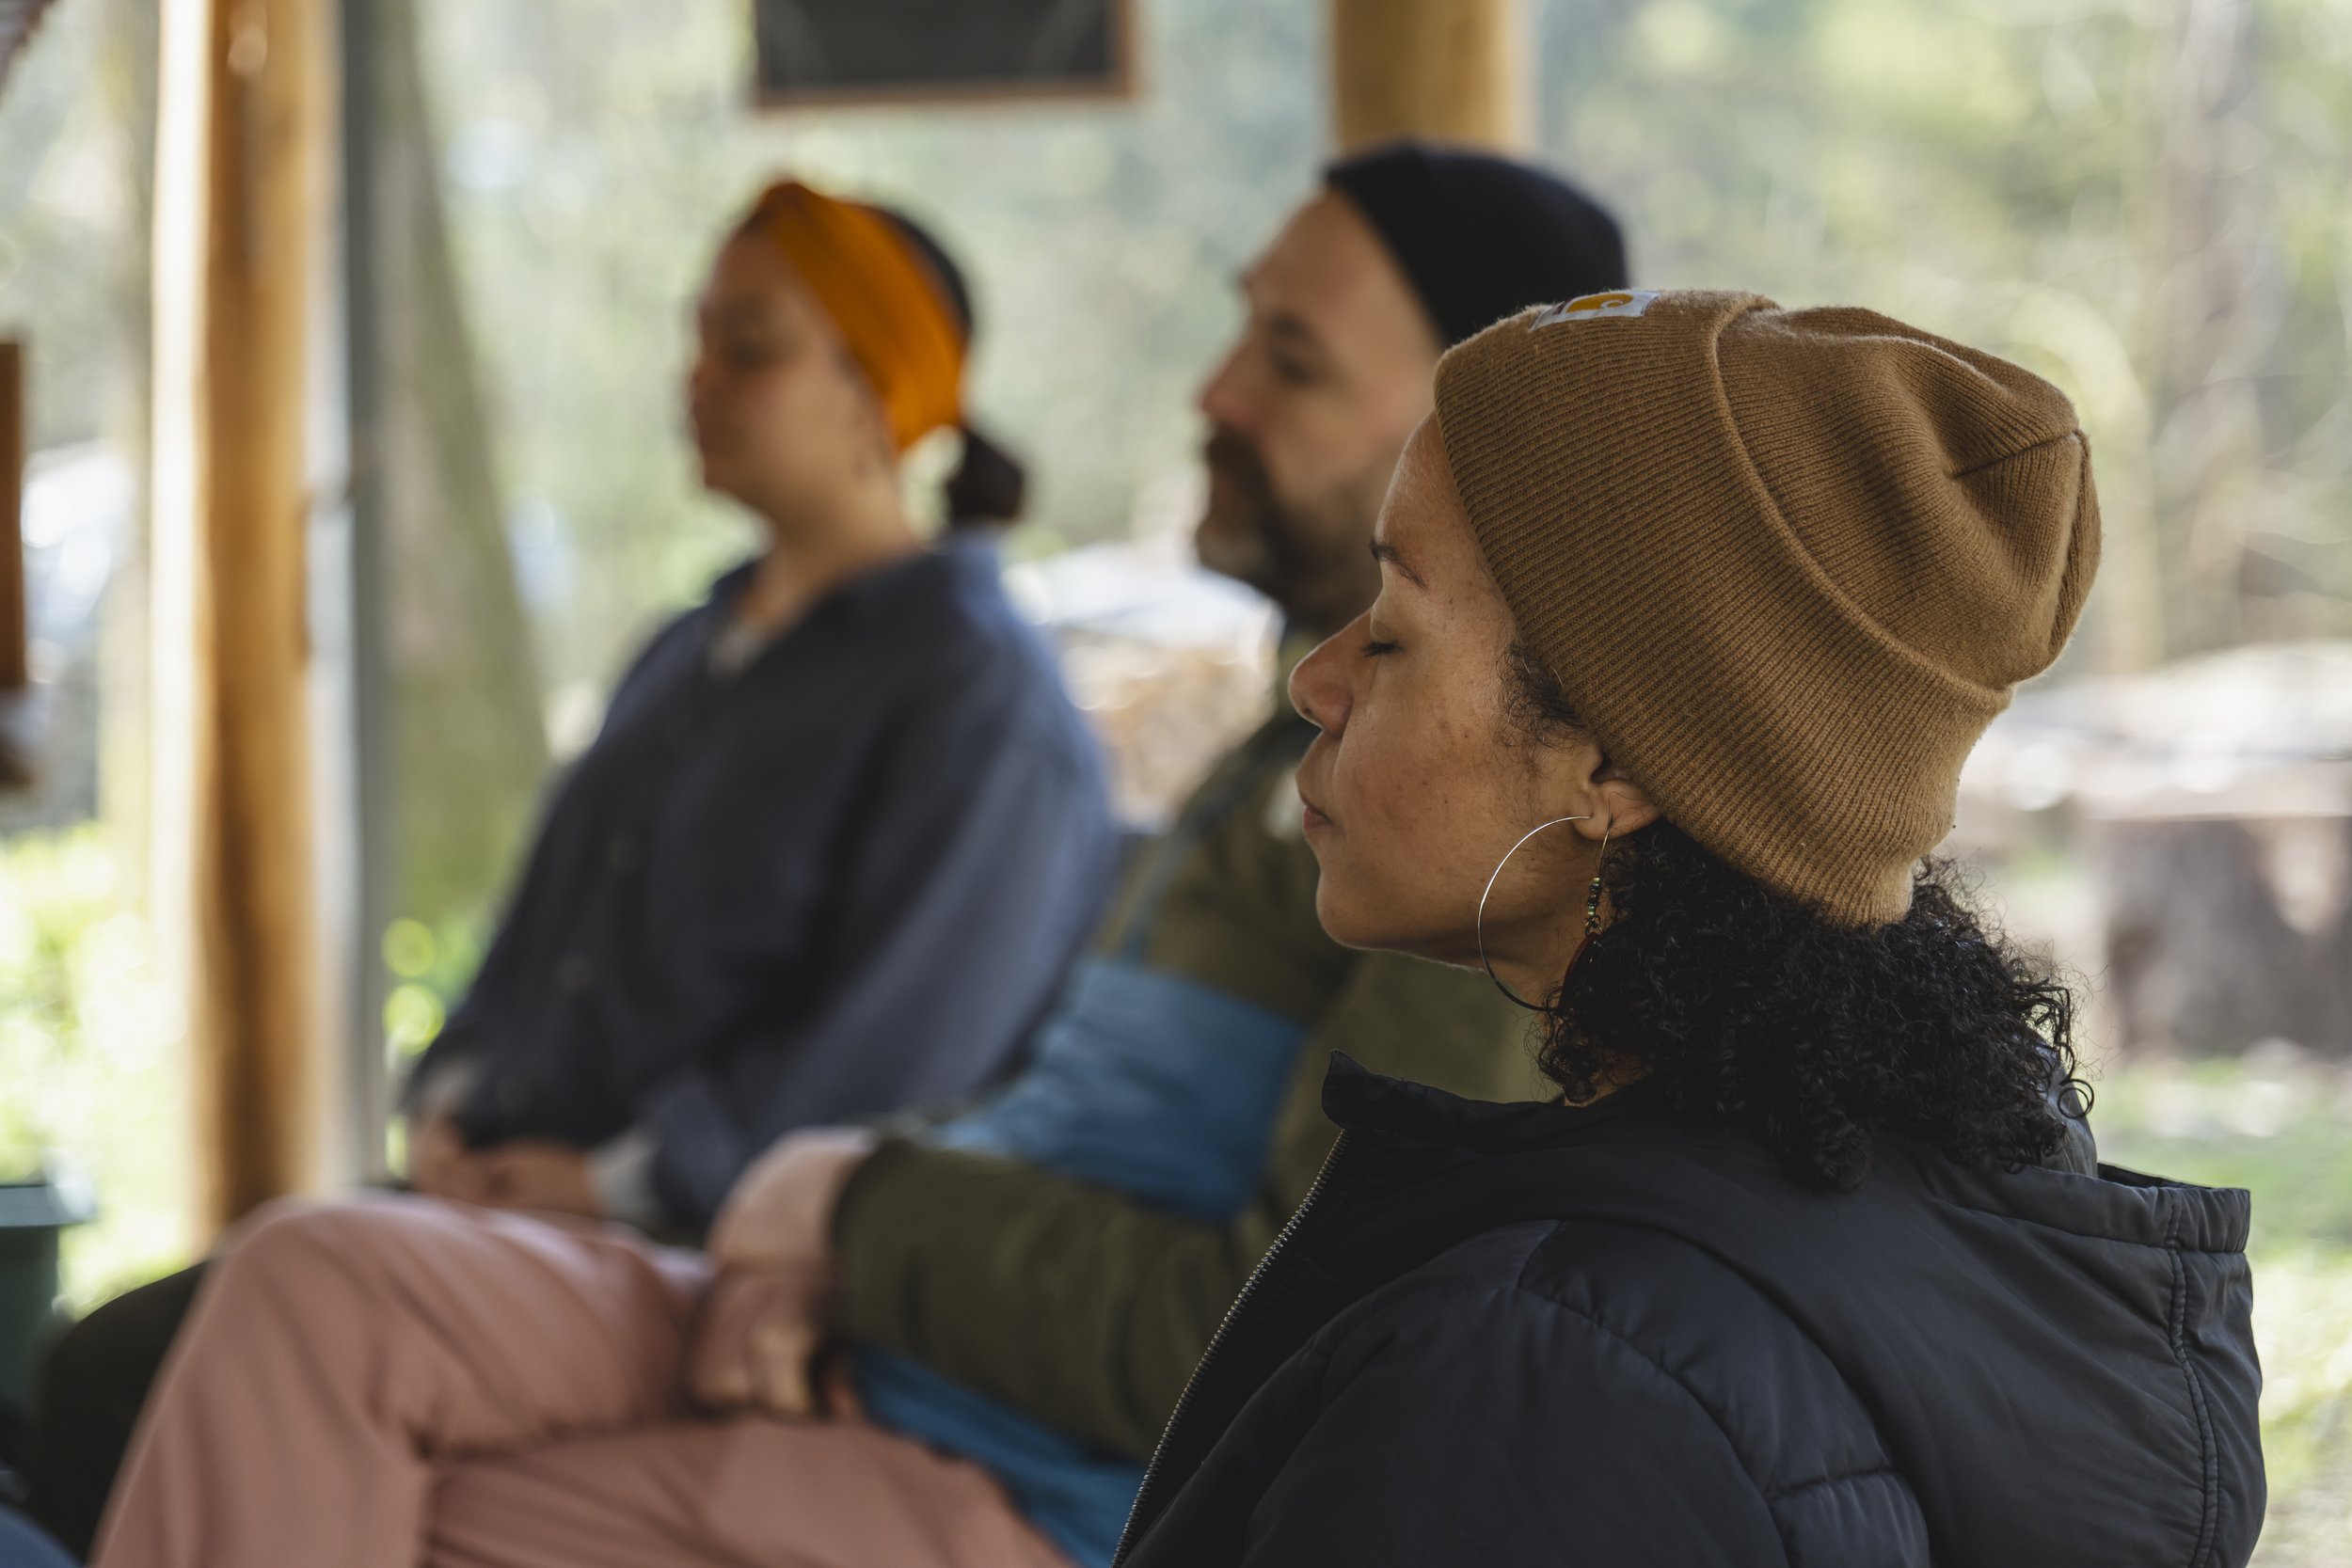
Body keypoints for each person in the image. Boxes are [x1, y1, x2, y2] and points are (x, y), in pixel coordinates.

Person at [84, 145, 1630, 1568]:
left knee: (298, 1463)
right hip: (862, 1313)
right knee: (300, 1290)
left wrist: (819, 1211)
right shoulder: (717, 656)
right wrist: (497, 1124)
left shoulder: (1443, 831)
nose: (1211, 389)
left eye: (1289, 357)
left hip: (989, 1436)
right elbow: (1010, 1106)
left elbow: (1276, 1299)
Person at [28, 178, 1119, 1557]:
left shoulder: (976, 697)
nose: (698, 378)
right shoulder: (688, 649)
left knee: (133, 1376)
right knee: (102, 1363)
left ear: (875, 394)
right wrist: (455, 1107)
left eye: (749, 347)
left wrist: (605, 1184)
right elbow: (533, 951)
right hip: (502, 1215)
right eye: (695, 338)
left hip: (700, 1256)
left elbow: (899, 1067)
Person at [1113, 290, 2267, 1566]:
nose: (1316, 679)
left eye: (1390, 631)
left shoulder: (1537, 1390)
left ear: (1613, 767)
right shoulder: (1981, 1222)